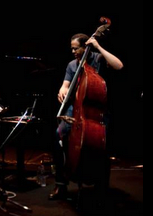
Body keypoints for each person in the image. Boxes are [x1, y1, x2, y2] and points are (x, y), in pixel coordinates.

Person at [49, 33, 123, 201]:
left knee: (102, 146)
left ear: (85, 47)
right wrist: (62, 89)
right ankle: (61, 185)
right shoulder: (72, 65)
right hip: (74, 110)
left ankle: (101, 185)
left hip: (97, 111)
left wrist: (98, 46)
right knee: (58, 136)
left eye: (76, 48)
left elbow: (118, 66)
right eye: (72, 48)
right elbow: (65, 84)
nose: (73, 51)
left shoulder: (98, 58)